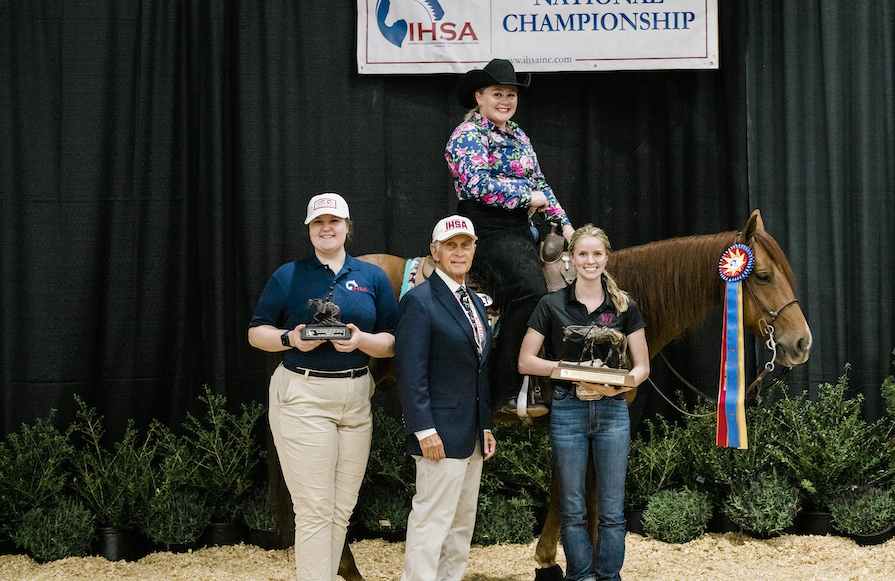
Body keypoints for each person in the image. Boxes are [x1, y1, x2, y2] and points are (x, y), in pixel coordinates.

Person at [247, 192, 397, 581]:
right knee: (315, 509)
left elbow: (393, 340)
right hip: (303, 395)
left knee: (341, 509)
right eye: (319, 222)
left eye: (334, 221)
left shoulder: (372, 277)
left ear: (348, 226)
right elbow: (256, 333)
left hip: (355, 395)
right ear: (309, 229)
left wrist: (361, 340)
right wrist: (291, 338)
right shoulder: (289, 275)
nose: (327, 228)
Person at [518, 224, 650, 581]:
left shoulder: (625, 307)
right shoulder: (552, 304)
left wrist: (618, 386)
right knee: (573, 508)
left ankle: (609, 575)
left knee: (612, 510)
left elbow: (642, 368)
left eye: (596, 254)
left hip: (612, 412)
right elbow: (526, 361)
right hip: (568, 409)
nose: (590, 261)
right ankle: (581, 576)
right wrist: (568, 370)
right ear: (571, 259)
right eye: (582, 254)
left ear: (606, 258)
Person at [446, 58, 574, 415]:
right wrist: (525, 198)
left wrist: (564, 224)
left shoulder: (518, 135)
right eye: (497, 93)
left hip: (522, 227)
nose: (505, 100)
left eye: (511, 94)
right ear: (480, 96)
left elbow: (540, 182)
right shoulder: (468, 135)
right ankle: (499, 391)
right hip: (486, 226)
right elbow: (477, 184)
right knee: (529, 292)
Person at [395, 214, 496, 581]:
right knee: (430, 522)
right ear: (434, 252)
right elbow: (410, 371)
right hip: (437, 433)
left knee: (460, 525)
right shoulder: (419, 302)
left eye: (465, 245)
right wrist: (423, 430)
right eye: (450, 245)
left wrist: (485, 425)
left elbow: (478, 369)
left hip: (470, 434)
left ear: (473, 250)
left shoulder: (475, 302)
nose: (458, 252)